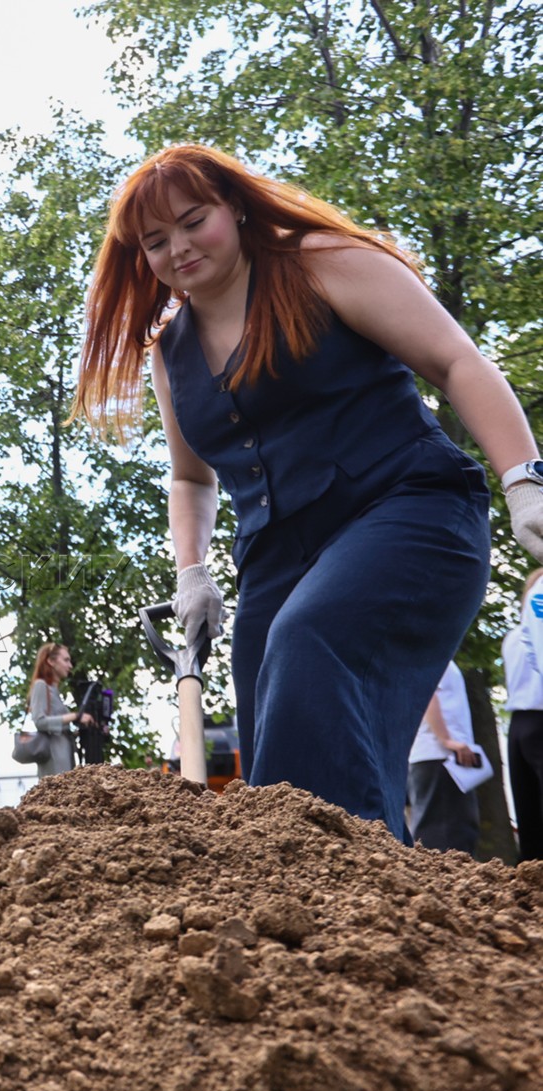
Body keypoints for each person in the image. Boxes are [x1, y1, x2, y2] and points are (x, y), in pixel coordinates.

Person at [72, 143, 543, 840]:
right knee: (278, 761)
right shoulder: (171, 352)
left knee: (309, 640)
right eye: (156, 242)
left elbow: (456, 360)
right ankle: (323, 914)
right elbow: (190, 476)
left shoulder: (323, 265)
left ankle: (358, 903)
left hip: (409, 513)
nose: (179, 249)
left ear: (232, 207)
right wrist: (193, 572)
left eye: (193, 221)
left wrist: (524, 480)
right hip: (277, 561)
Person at [406, 660, 484, 855]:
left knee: (448, 828)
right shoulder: (434, 653)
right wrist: (447, 740)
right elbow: (427, 693)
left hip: (438, 756)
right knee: (447, 833)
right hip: (439, 756)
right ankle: (443, 883)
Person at [502, 566, 543, 861]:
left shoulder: (512, 637)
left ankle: (531, 874)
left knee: (526, 804)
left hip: (519, 722)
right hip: (540, 717)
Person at [27, 643, 93, 778]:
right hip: (53, 757)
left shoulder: (54, 691)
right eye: (66, 660)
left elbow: (58, 727)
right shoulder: (41, 685)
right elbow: (40, 721)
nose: (70, 666)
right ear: (50, 661)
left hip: (64, 754)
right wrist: (75, 716)